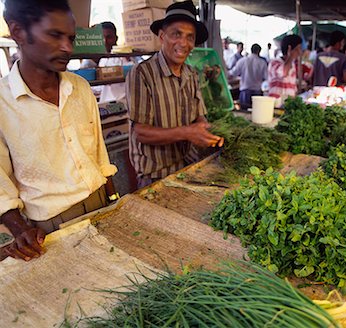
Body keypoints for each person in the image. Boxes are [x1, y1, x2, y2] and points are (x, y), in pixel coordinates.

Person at [0, 0, 118, 261]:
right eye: (54, 35)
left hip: (100, 205)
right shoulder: (2, 103)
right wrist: (21, 230)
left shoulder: (80, 88)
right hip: (49, 225)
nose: (67, 47)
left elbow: (100, 155)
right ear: (18, 32)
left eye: (71, 38)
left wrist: (113, 199)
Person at [126, 0, 223, 189]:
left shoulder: (192, 74)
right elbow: (141, 133)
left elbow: (199, 116)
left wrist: (209, 132)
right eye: (176, 34)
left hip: (189, 165)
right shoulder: (142, 73)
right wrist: (187, 132)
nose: (183, 43)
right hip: (156, 175)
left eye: (190, 37)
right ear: (162, 36)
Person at [229, 43, 268, 110]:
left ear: (251, 50)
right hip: (257, 92)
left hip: (245, 91)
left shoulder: (242, 61)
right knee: (256, 113)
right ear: (259, 51)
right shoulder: (262, 63)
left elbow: (233, 73)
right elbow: (266, 77)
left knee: (244, 113)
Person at [267, 34, 302, 108]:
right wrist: (291, 56)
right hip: (276, 106)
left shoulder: (292, 64)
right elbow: (284, 72)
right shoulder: (274, 63)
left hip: (288, 106)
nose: (299, 52)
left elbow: (293, 87)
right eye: (297, 49)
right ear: (289, 49)